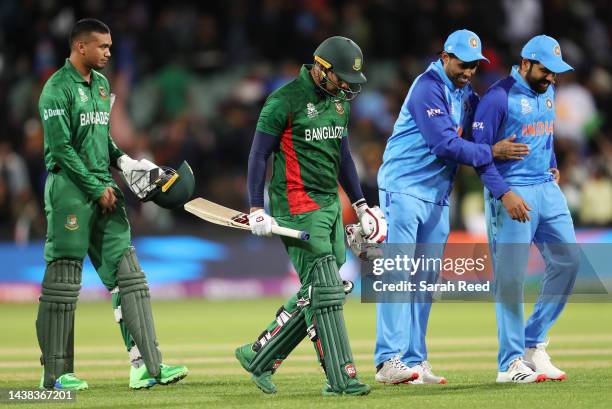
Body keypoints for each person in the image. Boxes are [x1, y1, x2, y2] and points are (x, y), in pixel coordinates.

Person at [37, 18, 192, 390]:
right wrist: (94, 186)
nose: (109, 52)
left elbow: (100, 139)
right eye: (102, 46)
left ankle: (147, 367)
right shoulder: (55, 90)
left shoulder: (103, 86)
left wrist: (125, 162)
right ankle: (55, 375)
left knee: (130, 277)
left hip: (102, 187)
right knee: (63, 282)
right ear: (80, 48)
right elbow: (61, 149)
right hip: (70, 191)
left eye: (110, 46)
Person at [235, 36, 386, 396]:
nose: (348, 87)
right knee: (328, 291)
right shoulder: (283, 101)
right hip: (295, 207)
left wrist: (361, 204)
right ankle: (342, 378)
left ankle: (258, 355)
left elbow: (344, 158)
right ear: (321, 68)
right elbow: (258, 156)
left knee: (320, 290)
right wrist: (257, 207)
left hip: (330, 206)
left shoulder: (338, 102)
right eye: (343, 78)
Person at [375, 29, 529, 385]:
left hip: (436, 195)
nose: (468, 72)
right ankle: (387, 360)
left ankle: (414, 361)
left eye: (474, 66)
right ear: (445, 56)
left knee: (424, 279)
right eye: (463, 64)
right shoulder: (427, 87)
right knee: (399, 273)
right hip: (404, 187)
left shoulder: (464, 92)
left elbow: (481, 131)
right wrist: (493, 151)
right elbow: (444, 145)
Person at [472, 34, 578, 383]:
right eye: (546, 70)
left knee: (569, 261)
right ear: (526, 63)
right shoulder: (498, 98)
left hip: (547, 189)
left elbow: (544, 135)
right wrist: (504, 194)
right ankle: (510, 363)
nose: (551, 78)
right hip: (512, 193)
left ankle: (534, 344)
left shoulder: (548, 92)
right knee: (512, 281)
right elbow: (479, 155)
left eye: (556, 72)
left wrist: (552, 161)